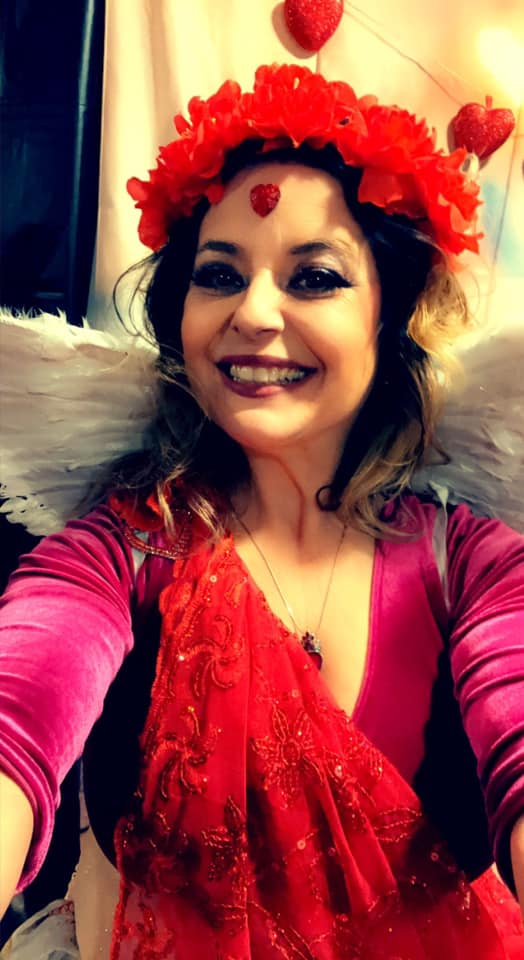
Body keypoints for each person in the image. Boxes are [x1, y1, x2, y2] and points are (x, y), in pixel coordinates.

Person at [1, 63, 523, 958]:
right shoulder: (122, 549)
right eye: (219, 274)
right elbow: (23, 701)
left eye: (313, 278)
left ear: (392, 319)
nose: (253, 314)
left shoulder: (470, 564)